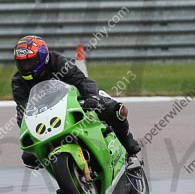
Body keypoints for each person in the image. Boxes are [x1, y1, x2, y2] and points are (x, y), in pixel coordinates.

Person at [12, 35, 141, 168]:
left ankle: (130, 150)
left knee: (116, 109)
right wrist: (29, 130)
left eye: (29, 62)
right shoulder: (18, 82)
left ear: (42, 58)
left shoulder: (57, 62)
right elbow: (24, 109)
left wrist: (92, 97)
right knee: (29, 156)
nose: (25, 67)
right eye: (21, 63)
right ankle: (66, 179)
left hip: (75, 102)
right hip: (48, 116)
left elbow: (81, 80)